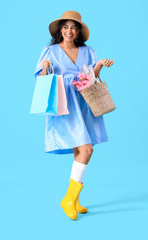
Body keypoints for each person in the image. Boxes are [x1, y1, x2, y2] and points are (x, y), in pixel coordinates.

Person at [34, 10, 113, 220]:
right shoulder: (50, 51)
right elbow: (43, 80)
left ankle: (73, 200)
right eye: (66, 26)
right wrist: (43, 68)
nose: (69, 30)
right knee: (86, 149)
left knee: (82, 149)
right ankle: (68, 199)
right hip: (65, 103)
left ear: (78, 31)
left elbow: (91, 77)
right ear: (61, 30)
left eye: (74, 27)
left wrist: (99, 65)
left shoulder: (88, 51)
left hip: (84, 101)